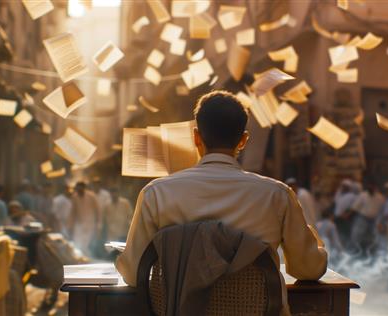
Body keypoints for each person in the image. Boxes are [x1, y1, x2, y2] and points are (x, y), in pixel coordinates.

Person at [116, 91, 327, 313]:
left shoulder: (156, 194)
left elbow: (132, 273)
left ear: (196, 137)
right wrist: (317, 246)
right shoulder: (277, 195)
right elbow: (309, 269)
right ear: (243, 140)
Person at [348, 181, 385, 256]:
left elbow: (382, 211)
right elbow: (355, 207)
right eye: (369, 186)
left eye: (372, 186)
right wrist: (348, 215)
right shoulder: (363, 195)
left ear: (375, 187)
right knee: (356, 234)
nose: (371, 188)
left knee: (376, 235)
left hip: (375, 219)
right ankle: (354, 250)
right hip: (363, 218)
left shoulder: (380, 197)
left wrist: (380, 222)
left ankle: (374, 252)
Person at [70, 181, 100, 257]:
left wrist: (98, 224)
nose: (79, 190)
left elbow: (98, 210)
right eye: (78, 189)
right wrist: (70, 225)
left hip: (90, 224)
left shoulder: (91, 196)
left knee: (86, 244)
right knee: (77, 244)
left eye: (81, 189)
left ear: (84, 188)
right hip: (79, 225)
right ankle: (81, 260)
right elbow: (73, 212)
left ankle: (86, 260)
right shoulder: (74, 197)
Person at [333, 179, 359, 244]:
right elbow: (335, 203)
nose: (342, 187)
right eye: (342, 186)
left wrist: (347, 214)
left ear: (348, 187)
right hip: (337, 218)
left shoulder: (352, 196)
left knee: (346, 234)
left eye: (345, 186)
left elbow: (354, 208)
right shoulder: (339, 195)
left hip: (346, 219)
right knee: (338, 234)